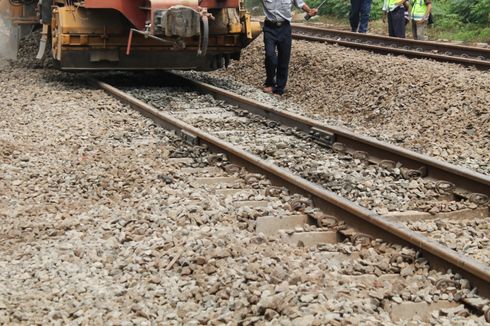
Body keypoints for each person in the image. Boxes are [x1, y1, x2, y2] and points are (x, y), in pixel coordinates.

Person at [261, 0, 317, 96]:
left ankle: (279, 88)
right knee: (270, 56)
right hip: (269, 27)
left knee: (284, 58)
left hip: (284, 28)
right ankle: (270, 82)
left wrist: (310, 11)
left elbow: (300, 4)